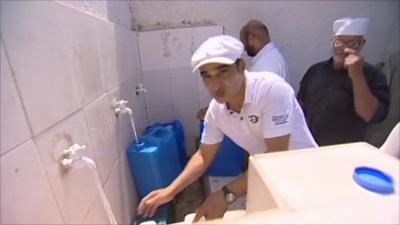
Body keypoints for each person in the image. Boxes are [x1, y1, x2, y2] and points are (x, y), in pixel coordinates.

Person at [137, 35, 317, 222]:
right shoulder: (217, 111)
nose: (215, 85)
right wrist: (170, 191)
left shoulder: (271, 90)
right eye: (207, 75)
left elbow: (275, 157)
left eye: (223, 72)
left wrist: (226, 194)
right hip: (270, 180)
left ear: (241, 67)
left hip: (306, 177)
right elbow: (204, 155)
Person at [297, 17, 390, 146]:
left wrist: (357, 76)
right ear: (332, 42)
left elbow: (370, 115)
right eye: (339, 42)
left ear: (362, 44)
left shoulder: (373, 75)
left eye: (352, 44)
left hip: (348, 151)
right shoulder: (315, 70)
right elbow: (300, 107)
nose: (344, 49)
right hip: (311, 148)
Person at [197, 19, 289, 119]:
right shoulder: (272, 57)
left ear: (251, 38)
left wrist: (212, 111)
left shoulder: (266, 64)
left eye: (223, 71)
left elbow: (250, 98)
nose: (244, 48)